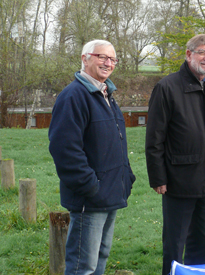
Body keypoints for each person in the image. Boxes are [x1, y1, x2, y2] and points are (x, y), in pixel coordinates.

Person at [145, 34, 205, 275]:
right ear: (188, 54)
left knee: (203, 239)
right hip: (178, 178)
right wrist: (158, 177)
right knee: (175, 242)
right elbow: (154, 138)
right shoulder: (167, 87)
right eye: (202, 52)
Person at [48, 39, 136, 275]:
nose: (108, 63)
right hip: (90, 197)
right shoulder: (74, 96)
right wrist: (90, 186)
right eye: (102, 57)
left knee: (100, 258)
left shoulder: (106, 93)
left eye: (113, 59)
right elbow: (65, 149)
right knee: (82, 266)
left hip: (110, 193)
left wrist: (126, 177)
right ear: (85, 58)